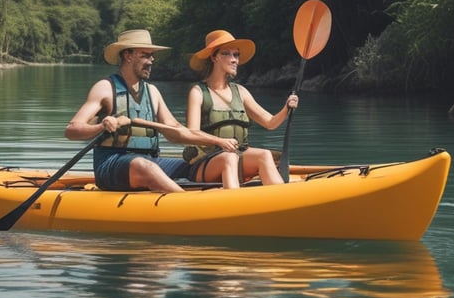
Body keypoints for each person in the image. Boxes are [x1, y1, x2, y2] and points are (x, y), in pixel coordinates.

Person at [65, 29, 241, 192]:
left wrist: (217, 141)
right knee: (144, 166)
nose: (151, 61)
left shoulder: (152, 92)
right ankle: (188, 203)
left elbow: (177, 132)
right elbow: (72, 130)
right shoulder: (104, 88)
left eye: (152, 56)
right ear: (128, 55)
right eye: (145, 55)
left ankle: (232, 203)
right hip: (111, 165)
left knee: (215, 161)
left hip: (151, 161)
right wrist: (102, 126)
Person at [185, 30, 298, 188]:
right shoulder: (198, 92)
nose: (234, 60)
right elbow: (191, 134)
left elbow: (270, 123)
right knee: (228, 158)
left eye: (236, 55)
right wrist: (219, 141)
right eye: (227, 54)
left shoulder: (241, 92)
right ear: (214, 57)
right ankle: (235, 205)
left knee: (265, 155)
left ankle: (282, 202)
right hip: (206, 163)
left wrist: (286, 108)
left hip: (237, 157)